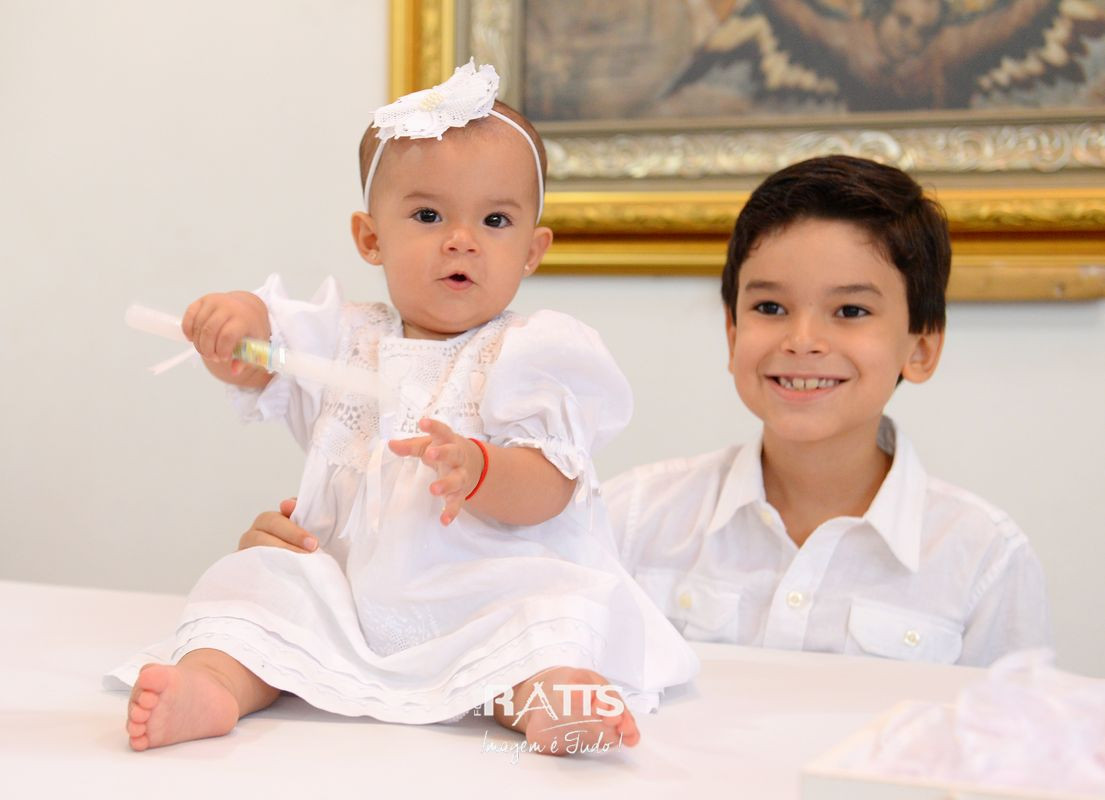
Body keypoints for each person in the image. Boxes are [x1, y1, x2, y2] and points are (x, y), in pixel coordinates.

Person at [241, 154, 1050, 667]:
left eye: (850, 311)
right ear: (731, 333)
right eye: (769, 308)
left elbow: (1015, 757)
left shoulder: (980, 557)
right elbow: (457, 628)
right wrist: (320, 568)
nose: (802, 340)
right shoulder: (624, 520)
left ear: (920, 347)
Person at [110, 61, 697, 753]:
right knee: (255, 583)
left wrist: (481, 469)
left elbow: (553, 486)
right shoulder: (342, 339)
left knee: (547, 616)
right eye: (427, 215)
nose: (461, 239)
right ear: (370, 238)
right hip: (346, 594)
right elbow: (261, 354)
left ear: (532, 250)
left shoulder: (533, 353)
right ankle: (213, 685)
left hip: (485, 592)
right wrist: (234, 322)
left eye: (495, 220)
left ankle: (550, 701)